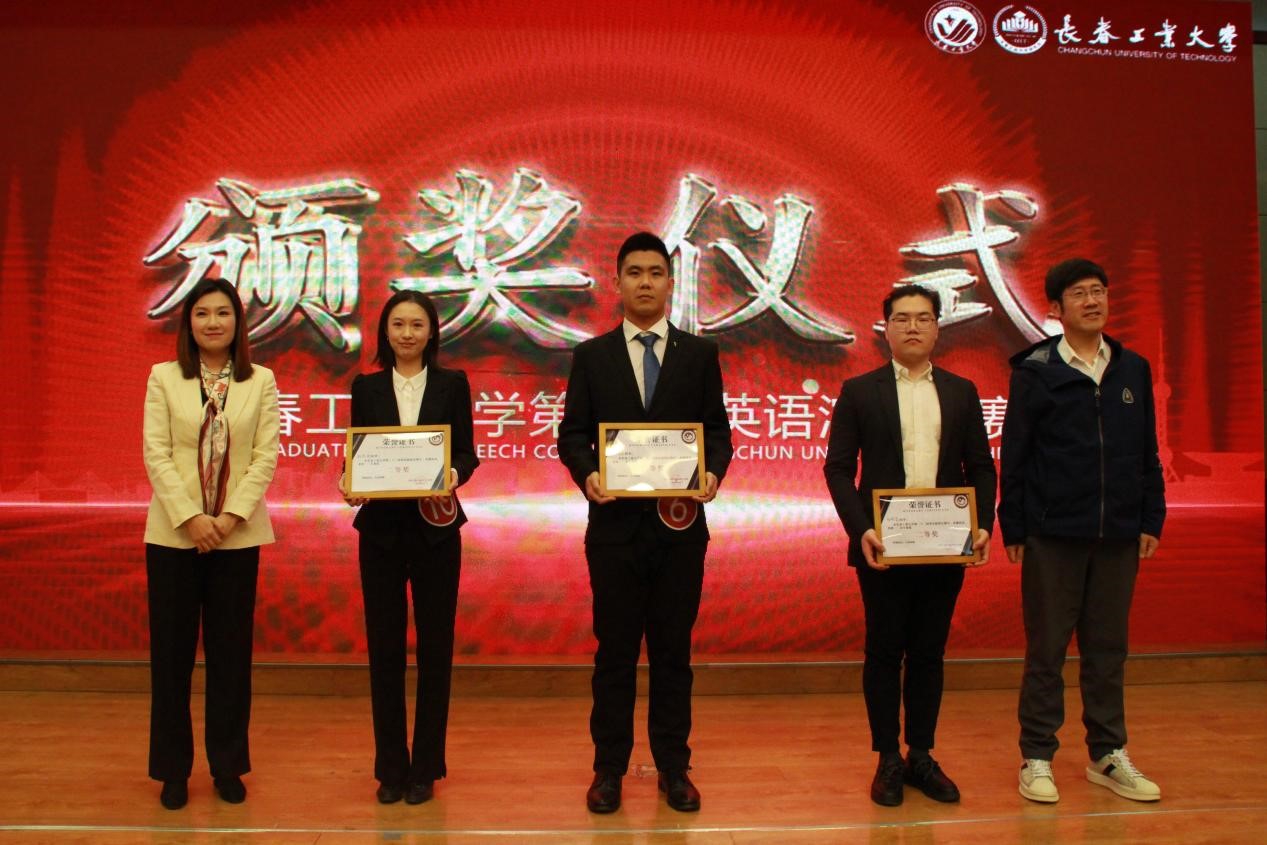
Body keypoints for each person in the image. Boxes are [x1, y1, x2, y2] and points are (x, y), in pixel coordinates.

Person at [557, 232, 733, 814]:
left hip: (680, 531)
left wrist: (712, 473)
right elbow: (572, 435)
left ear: (670, 282)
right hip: (613, 532)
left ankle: (673, 768)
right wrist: (588, 475)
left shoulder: (699, 355)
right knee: (614, 655)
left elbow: (717, 432)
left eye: (656, 273)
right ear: (617, 282)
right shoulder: (592, 356)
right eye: (634, 272)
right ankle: (608, 770)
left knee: (673, 655)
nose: (645, 283)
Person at [1000, 258, 1165, 804]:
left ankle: (1107, 753)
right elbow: (1016, 456)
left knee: (1108, 650)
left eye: (1099, 291)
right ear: (1056, 308)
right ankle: (1037, 756)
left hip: (1118, 534)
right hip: (1052, 535)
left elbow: (1147, 451)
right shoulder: (1035, 371)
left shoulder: (1132, 368)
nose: (1093, 301)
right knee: (1046, 650)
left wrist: (1151, 517)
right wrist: (1013, 525)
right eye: (1079, 294)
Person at [823, 284, 995, 807]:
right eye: (902, 318)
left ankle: (921, 753)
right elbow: (837, 469)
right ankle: (887, 758)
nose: (913, 327)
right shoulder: (859, 391)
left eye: (923, 318)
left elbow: (981, 466)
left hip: (945, 544)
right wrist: (861, 529)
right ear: (886, 329)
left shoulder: (962, 391)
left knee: (928, 653)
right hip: (883, 547)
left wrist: (982, 524)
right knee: (883, 652)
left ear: (939, 327)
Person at [142, 278, 280, 810]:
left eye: (223, 313)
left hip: (237, 537)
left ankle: (227, 766)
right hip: (173, 535)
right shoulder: (163, 377)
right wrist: (192, 518)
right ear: (188, 323)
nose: (213, 322)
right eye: (202, 313)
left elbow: (264, 456)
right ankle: (173, 771)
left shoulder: (260, 380)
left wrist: (228, 518)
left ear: (238, 323)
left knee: (230, 659)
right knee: (171, 659)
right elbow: (156, 454)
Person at [342, 289, 478, 805]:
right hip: (380, 533)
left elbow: (466, 452)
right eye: (398, 324)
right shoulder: (367, 387)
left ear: (431, 332)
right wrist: (350, 480)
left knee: (436, 650)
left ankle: (426, 768)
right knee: (384, 652)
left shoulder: (452, 384)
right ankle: (390, 768)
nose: (407, 333)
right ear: (385, 331)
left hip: (436, 531)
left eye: (417, 325)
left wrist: (453, 473)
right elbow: (359, 454)